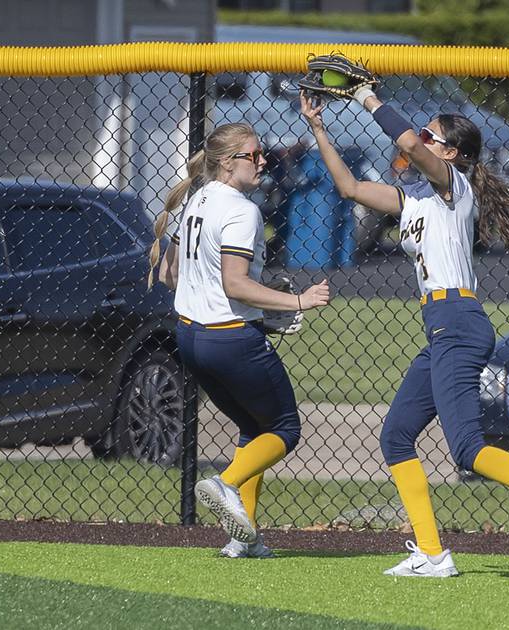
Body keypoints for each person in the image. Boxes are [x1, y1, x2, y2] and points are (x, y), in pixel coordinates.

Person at [301, 89, 509, 578]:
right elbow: (349, 186)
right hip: (442, 328)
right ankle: (432, 554)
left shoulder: (451, 183)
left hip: (457, 320)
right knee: (396, 437)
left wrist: (369, 98)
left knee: (466, 449)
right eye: (423, 133)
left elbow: (409, 147)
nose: (420, 139)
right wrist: (317, 127)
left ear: (451, 153)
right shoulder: (413, 196)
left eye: (431, 136)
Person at [148, 122, 330, 558]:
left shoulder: (196, 199)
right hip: (229, 339)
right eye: (254, 155)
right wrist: (296, 301)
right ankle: (225, 484)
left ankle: (241, 538)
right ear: (229, 163)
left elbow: (170, 272)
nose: (263, 160)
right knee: (285, 429)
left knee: (253, 428)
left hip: (191, 337)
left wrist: (243, 304)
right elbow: (234, 284)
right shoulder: (241, 209)